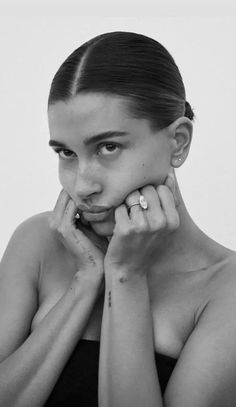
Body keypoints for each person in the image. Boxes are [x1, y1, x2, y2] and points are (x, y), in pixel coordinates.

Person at [0, 30, 236, 407]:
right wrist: (84, 282)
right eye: (66, 153)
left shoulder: (227, 290)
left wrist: (125, 274)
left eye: (108, 147)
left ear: (178, 142)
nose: (83, 184)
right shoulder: (38, 243)